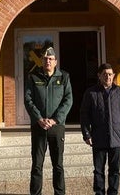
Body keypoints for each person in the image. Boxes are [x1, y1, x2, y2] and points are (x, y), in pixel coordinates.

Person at [24, 46, 73, 195]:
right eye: (45, 59)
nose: (48, 61)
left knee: (58, 164)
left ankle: (59, 193)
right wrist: (38, 118)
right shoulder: (33, 77)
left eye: (51, 59)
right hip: (38, 126)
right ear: (42, 61)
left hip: (56, 127)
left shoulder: (64, 77)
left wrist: (55, 120)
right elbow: (28, 99)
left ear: (55, 62)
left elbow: (68, 100)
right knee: (37, 165)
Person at [80, 63, 120, 195]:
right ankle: (99, 192)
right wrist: (86, 134)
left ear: (113, 75)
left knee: (115, 170)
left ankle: (113, 192)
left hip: (116, 137)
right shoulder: (91, 93)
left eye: (110, 74)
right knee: (98, 171)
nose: (108, 77)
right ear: (99, 76)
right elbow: (84, 115)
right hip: (98, 137)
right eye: (105, 74)